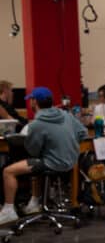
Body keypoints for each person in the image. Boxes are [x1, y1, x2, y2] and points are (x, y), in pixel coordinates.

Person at [0, 87, 88, 224]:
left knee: (8, 171)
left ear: (34, 102)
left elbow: (33, 151)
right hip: (71, 162)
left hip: (51, 163)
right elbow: (83, 133)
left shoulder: (37, 124)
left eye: (31, 100)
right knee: (37, 162)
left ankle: (8, 211)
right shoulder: (67, 115)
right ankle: (34, 202)